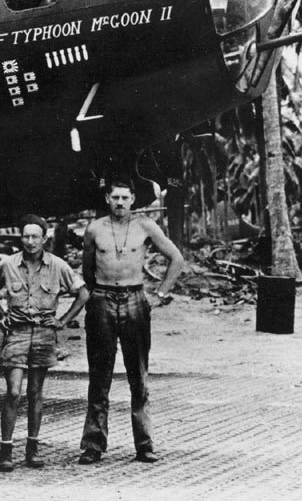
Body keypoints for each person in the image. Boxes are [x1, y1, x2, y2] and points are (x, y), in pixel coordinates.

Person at [78, 179, 183, 465]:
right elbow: (87, 269)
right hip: (102, 301)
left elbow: (176, 258)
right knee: (100, 375)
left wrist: (160, 293)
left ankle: (145, 444)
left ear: (133, 199)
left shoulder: (146, 227)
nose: (120, 203)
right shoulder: (94, 229)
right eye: (115, 197)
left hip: (136, 300)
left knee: (138, 374)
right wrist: (98, 294)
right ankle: (93, 444)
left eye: (125, 197)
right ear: (107, 199)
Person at [0, 214, 89, 472]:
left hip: (43, 333)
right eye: (25, 236)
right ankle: (5, 451)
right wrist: (3, 315)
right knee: (13, 392)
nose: (30, 242)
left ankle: (32, 449)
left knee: (35, 393)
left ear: (44, 238)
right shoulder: (7, 265)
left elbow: (83, 292)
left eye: (35, 237)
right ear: (20, 238)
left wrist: (63, 320)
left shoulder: (58, 266)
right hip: (17, 334)